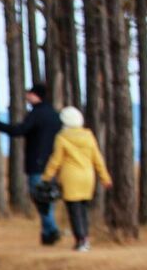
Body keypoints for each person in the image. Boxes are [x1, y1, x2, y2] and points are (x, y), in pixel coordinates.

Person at [0, 82, 64, 246]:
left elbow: (18, 131)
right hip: (51, 163)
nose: (27, 96)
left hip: (36, 162)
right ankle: (47, 235)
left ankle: (52, 229)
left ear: (36, 95)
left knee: (39, 197)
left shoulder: (36, 114)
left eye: (29, 93)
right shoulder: (54, 115)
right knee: (47, 197)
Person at [42, 106, 112, 253]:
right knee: (84, 209)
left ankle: (80, 240)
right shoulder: (89, 136)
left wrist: (46, 177)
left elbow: (56, 160)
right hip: (87, 177)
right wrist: (105, 177)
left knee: (74, 211)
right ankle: (85, 238)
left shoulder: (62, 137)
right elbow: (97, 158)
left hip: (70, 178)